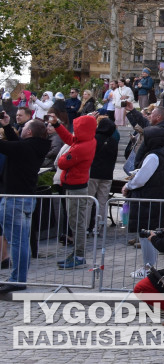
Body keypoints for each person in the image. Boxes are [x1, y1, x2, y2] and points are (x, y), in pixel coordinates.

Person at [0, 116, 51, 293]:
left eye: (24, 127)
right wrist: (7, 126)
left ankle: (18, 279)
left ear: (29, 131)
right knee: (21, 241)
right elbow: (17, 145)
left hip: (15, 200)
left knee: (17, 242)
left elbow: (9, 146)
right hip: (27, 199)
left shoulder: (24, 148)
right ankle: (19, 277)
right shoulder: (35, 147)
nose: (21, 129)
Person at [123, 126, 164, 280]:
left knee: (147, 234)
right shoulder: (158, 154)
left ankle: (149, 267)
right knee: (147, 234)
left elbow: (142, 179)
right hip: (152, 197)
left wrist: (128, 185)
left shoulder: (153, 156)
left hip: (148, 199)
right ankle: (148, 266)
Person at [51, 113, 97, 270]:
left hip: (76, 188)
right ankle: (78, 253)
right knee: (75, 221)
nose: (74, 132)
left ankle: (79, 254)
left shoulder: (82, 147)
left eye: (77, 129)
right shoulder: (87, 140)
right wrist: (57, 124)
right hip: (74, 186)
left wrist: (65, 154)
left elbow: (62, 163)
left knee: (76, 222)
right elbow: (69, 139)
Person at [87, 116, 119, 235]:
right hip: (107, 174)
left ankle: (86, 226)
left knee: (89, 201)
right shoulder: (113, 142)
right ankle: (98, 227)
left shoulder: (94, 139)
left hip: (93, 173)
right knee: (102, 202)